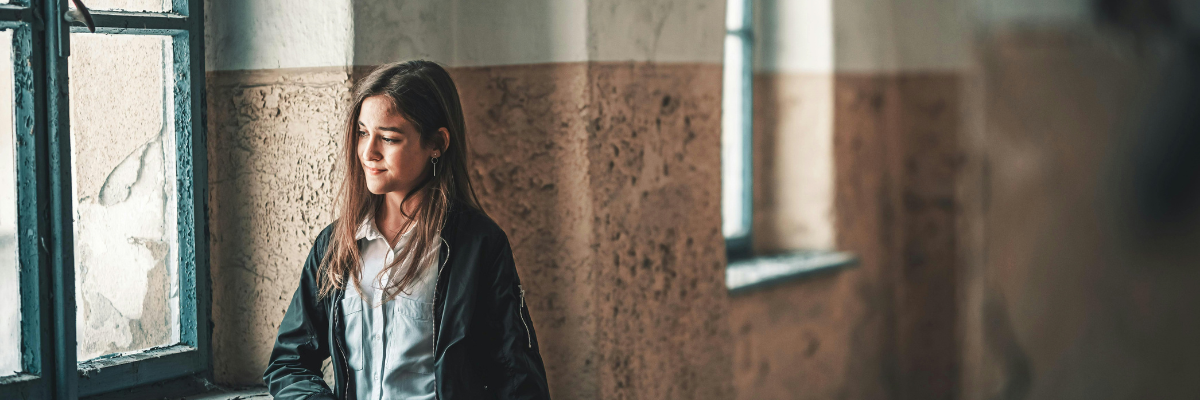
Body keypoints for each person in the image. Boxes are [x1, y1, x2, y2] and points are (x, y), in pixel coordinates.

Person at [264, 60, 551, 400]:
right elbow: (288, 363)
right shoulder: (335, 245)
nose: (368, 152)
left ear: (437, 144)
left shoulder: (479, 246)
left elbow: (517, 378)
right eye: (362, 132)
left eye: (388, 137)